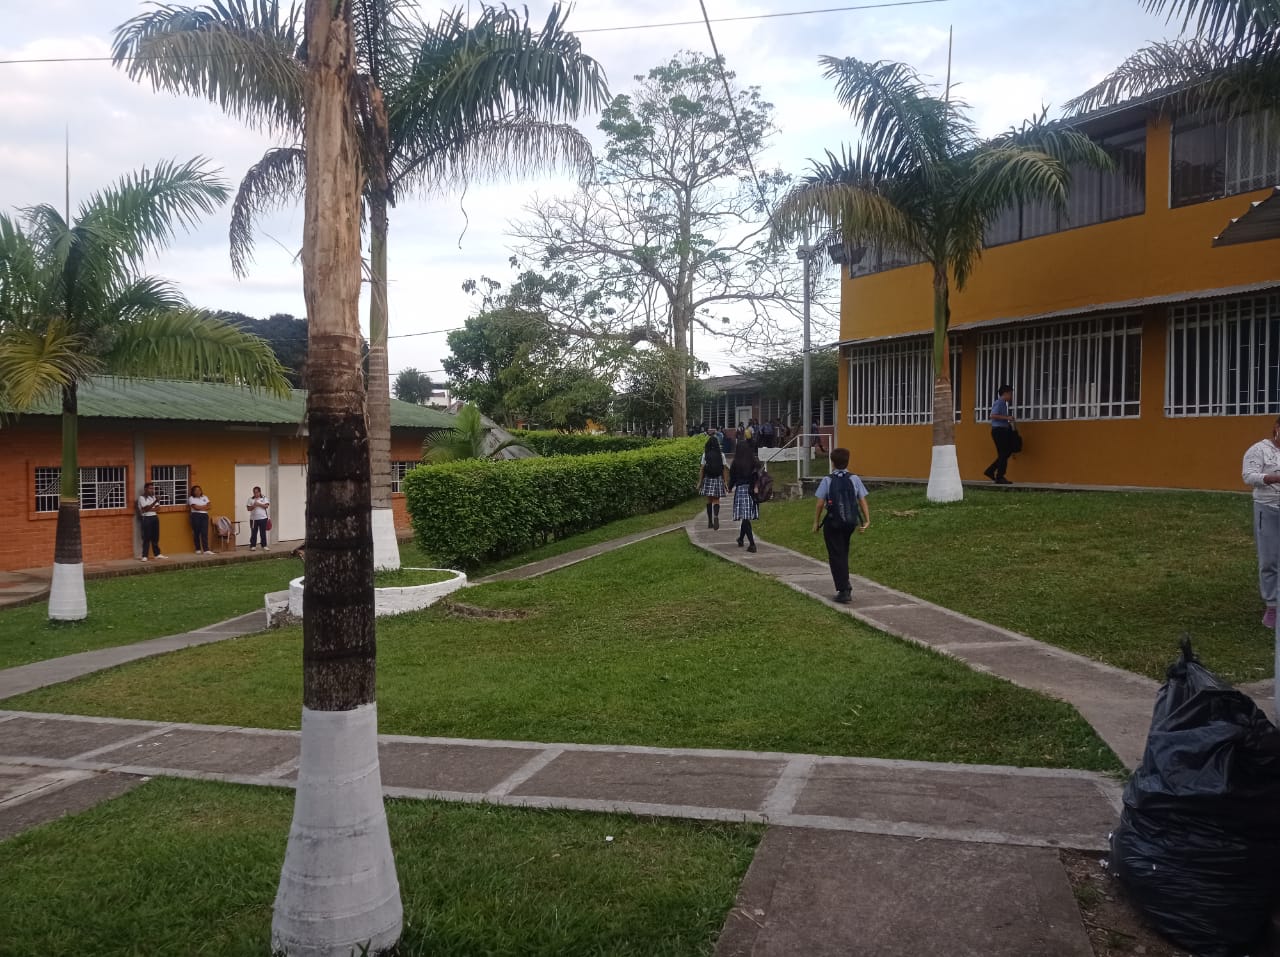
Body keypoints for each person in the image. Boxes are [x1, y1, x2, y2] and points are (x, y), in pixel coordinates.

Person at [813, 448, 870, 604]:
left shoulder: (828, 480)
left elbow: (820, 504)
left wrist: (816, 522)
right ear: (847, 461)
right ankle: (845, 584)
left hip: (833, 522)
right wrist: (867, 520)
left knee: (835, 555)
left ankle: (844, 589)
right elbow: (862, 500)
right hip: (850, 522)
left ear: (832, 462)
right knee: (843, 552)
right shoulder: (854, 479)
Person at [1243, 416, 1280, 629]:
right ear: (1276, 428)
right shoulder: (1259, 450)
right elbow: (1248, 476)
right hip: (1268, 508)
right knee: (1269, 559)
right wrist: (1273, 478)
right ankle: (1272, 606)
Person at [728, 442, 761, 552]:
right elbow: (758, 472)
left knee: (745, 518)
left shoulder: (735, 462)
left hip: (741, 490)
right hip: (751, 490)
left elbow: (732, 478)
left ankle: (752, 544)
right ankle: (741, 539)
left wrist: (729, 487)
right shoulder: (753, 461)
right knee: (745, 516)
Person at [984, 384, 1016, 485]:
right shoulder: (999, 402)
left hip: (1002, 430)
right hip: (999, 431)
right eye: (1010, 394)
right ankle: (999, 476)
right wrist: (1007, 418)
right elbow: (993, 415)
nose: (1011, 396)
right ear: (1005, 393)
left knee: (1005, 453)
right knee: (1004, 453)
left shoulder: (1003, 403)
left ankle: (990, 471)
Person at [698, 433, 727, 530]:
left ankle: (710, 522)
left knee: (709, 500)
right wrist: (725, 482)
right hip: (718, 478)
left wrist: (700, 482)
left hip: (708, 478)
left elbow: (702, 469)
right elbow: (724, 469)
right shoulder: (721, 455)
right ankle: (716, 516)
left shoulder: (705, 454)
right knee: (716, 500)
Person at [136, 481, 165, 562]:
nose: (152, 490)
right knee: (146, 538)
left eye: (153, 488)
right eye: (150, 488)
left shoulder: (153, 497)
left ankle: (157, 554)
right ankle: (144, 555)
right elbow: (145, 509)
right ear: (145, 489)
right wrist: (154, 503)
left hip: (155, 517)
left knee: (155, 537)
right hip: (146, 518)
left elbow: (158, 508)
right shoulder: (142, 498)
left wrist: (150, 508)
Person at [188, 484, 212, 554]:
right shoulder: (191, 498)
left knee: (204, 532)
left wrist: (200, 507)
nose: (198, 492)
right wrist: (204, 506)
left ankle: (206, 550)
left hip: (204, 516)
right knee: (196, 532)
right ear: (193, 492)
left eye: (199, 490)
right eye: (196, 490)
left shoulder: (205, 497)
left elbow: (209, 506)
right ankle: (197, 549)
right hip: (195, 516)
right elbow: (195, 508)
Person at [246, 485, 271, 551]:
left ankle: (264, 545)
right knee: (253, 533)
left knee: (263, 533)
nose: (255, 494)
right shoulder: (250, 499)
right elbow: (248, 509)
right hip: (253, 519)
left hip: (263, 518)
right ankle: (253, 546)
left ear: (260, 492)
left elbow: (266, 506)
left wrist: (258, 504)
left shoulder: (264, 498)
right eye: (254, 492)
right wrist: (254, 505)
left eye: (257, 492)